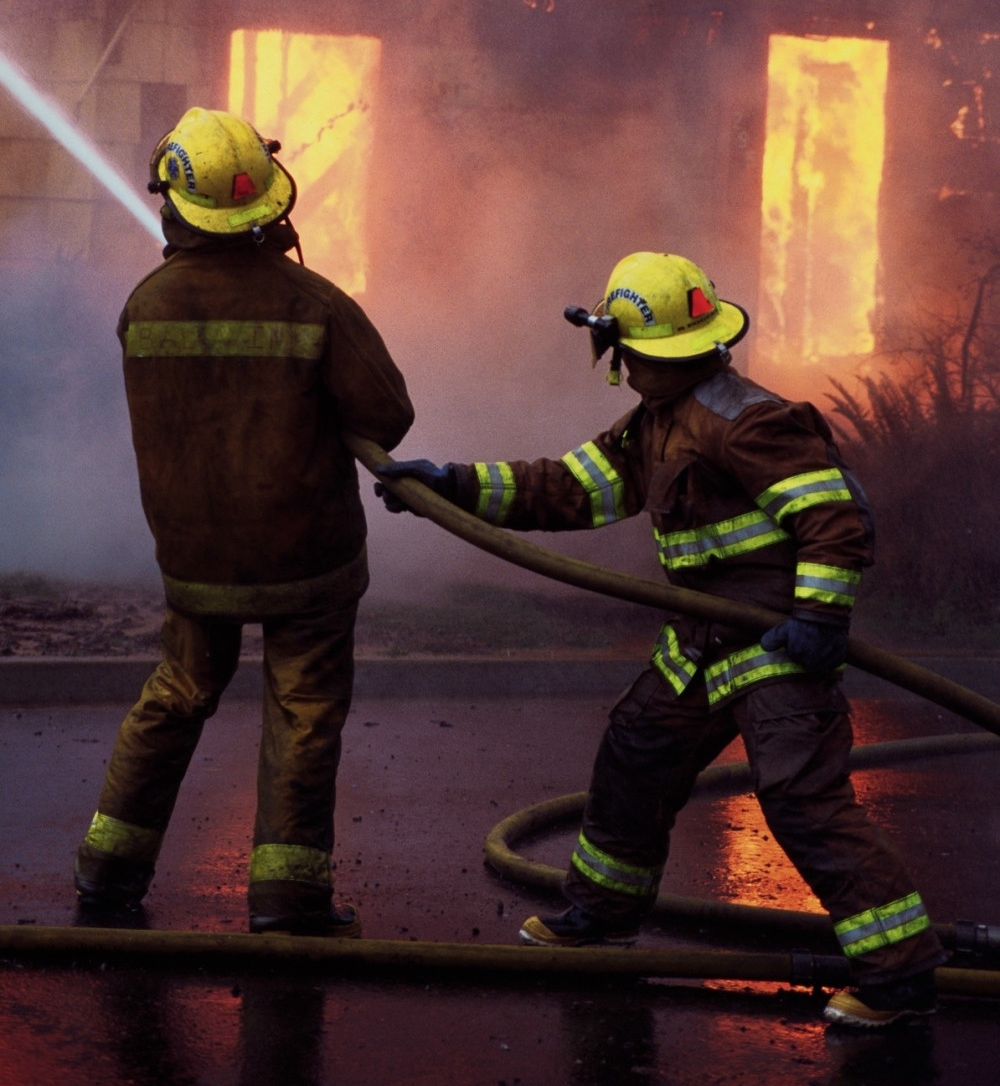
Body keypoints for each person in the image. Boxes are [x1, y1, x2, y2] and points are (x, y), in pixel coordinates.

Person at [375, 250, 946, 1026]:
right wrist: (454, 482)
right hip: (701, 642)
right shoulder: (656, 421)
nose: (621, 364)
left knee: (802, 800)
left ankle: (900, 974)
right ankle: (602, 914)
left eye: (625, 351)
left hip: (772, 646)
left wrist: (818, 617)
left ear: (643, 348)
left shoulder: (746, 419)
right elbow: (569, 486)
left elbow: (834, 516)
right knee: (635, 759)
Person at [75, 107, 413, 936]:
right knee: (302, 712)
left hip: (196, 561)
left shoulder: (144, 305)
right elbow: (389, 413)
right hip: (309, 561)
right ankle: (288, 900)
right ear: (271, 206)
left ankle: (108, 875)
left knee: (175, 695)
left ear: (172, 206)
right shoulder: (316, 304)